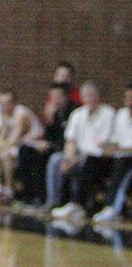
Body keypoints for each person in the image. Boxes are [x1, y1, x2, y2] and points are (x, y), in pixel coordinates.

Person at [48, 82, 116, 221]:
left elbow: (102, 146)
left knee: (88, 161)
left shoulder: (108, 113)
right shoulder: (77, 114)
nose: (90, 99)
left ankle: (78, 204)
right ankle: (53, 201)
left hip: (99, 158)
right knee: (56, 160)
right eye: (87, 96)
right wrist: (69, 157)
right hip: (78, 154)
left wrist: (77, 159)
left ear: (99, 97)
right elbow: (70, 140)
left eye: (93, 95)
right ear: (82, 98)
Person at [0, 89, 43, 202]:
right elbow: (2, 136)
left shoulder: (20, 113)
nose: (3, 106)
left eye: (6, 103)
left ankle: (9, 191)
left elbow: (13, 139)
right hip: (19, 143)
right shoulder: (4, 114)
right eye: (1, 103)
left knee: (6, 154)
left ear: (13, 102)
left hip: (31, 144)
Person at [15, 84, 73, 204]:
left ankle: (46, 199)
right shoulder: (56, 113)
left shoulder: (73, 112)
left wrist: (51, 145)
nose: (55, 100)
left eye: (58, 97)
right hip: (53, 145)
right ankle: (28, 195)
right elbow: (48, 135)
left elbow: (69, 138)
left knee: (46, 158)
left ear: (66, 97)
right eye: (52, 97)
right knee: (25, 150)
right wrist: (49, 123)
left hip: (66, 149)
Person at [91, 83, 132, 223]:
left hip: (127, 160)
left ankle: (113, 207)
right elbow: (116, 142)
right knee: (95, 160)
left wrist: (122, 149)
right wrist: (106, 147)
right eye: (128, 98)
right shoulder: (121, 115)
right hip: (119, 157)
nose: (129, 101)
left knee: (123, 163)